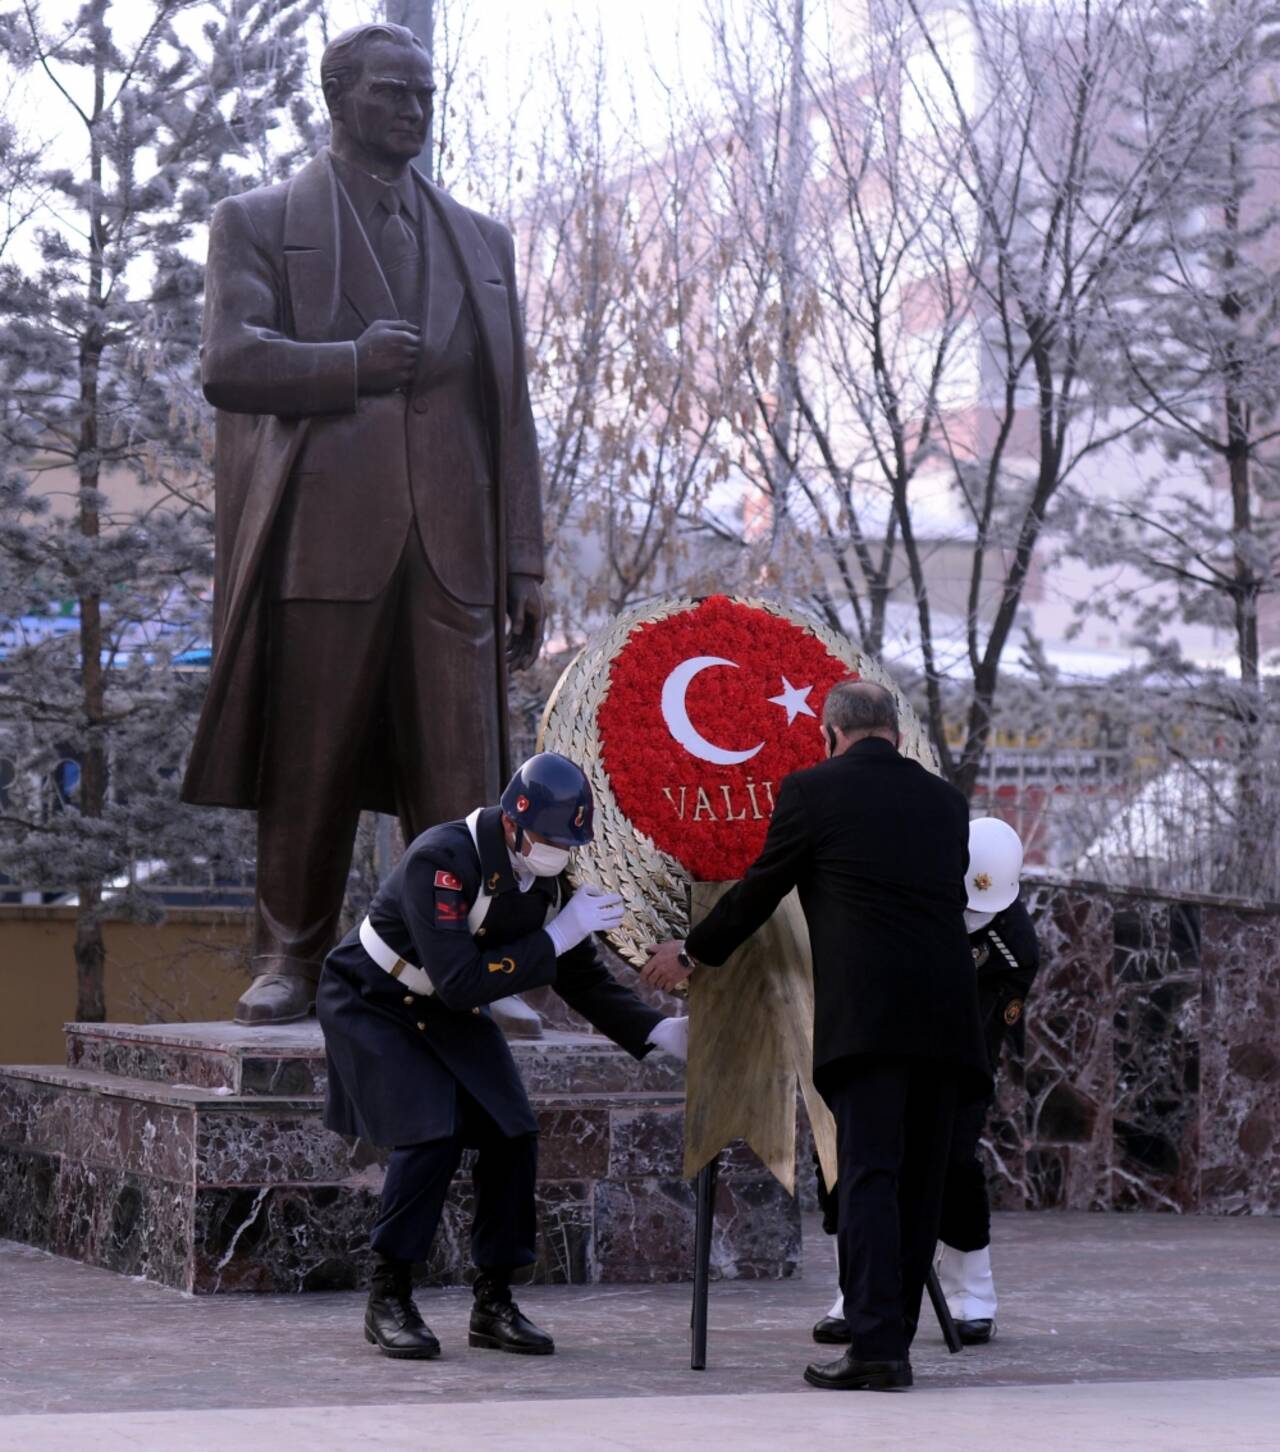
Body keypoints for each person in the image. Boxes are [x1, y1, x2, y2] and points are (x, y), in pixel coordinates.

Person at [183, 22, 547, 1026]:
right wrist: (347, 363)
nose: (413, 110)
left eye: (424, 93)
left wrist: (523, 560)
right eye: (392, 92)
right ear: (337, 100)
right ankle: (288, 959)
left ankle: (463, 956)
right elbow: (226, 361)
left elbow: (506, 410)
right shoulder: (256, 221)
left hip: (454, 547)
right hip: (323, 538)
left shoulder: (482, 241)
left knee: (460, 769)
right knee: (312, 758)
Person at [643, 680, 989, 1392]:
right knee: (920, 1187)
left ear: (830, 734)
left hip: (869, 1019)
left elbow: (760, 889)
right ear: (894, 733)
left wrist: (694, 951)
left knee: (868, 1178)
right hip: (951, 1018)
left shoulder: (812, 793)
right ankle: (893, 1344)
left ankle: (874, 1350)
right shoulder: (948, 803)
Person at [318, 752, 688, 1359]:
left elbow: (579, 976)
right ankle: (389, 1297)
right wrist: (555, 935)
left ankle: (493, 1300)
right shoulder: (440, 860)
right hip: (375, 999)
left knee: (511, 1131)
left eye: (568, 843)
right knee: (430, 1132)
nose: (557, 853)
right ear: (513, 822)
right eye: (547, 839)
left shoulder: (547, 870)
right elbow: (463, 978)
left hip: (444, 1005)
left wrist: (655, 1034)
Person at [811, 817, 1040, 1348]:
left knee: (954, 1161)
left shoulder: (1013, 950)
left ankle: (972, 1294)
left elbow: (984, 1037)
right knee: (859, 1158)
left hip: (957, 1058)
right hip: (886, 1034)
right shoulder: (912, 886)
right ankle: (860, 1291)